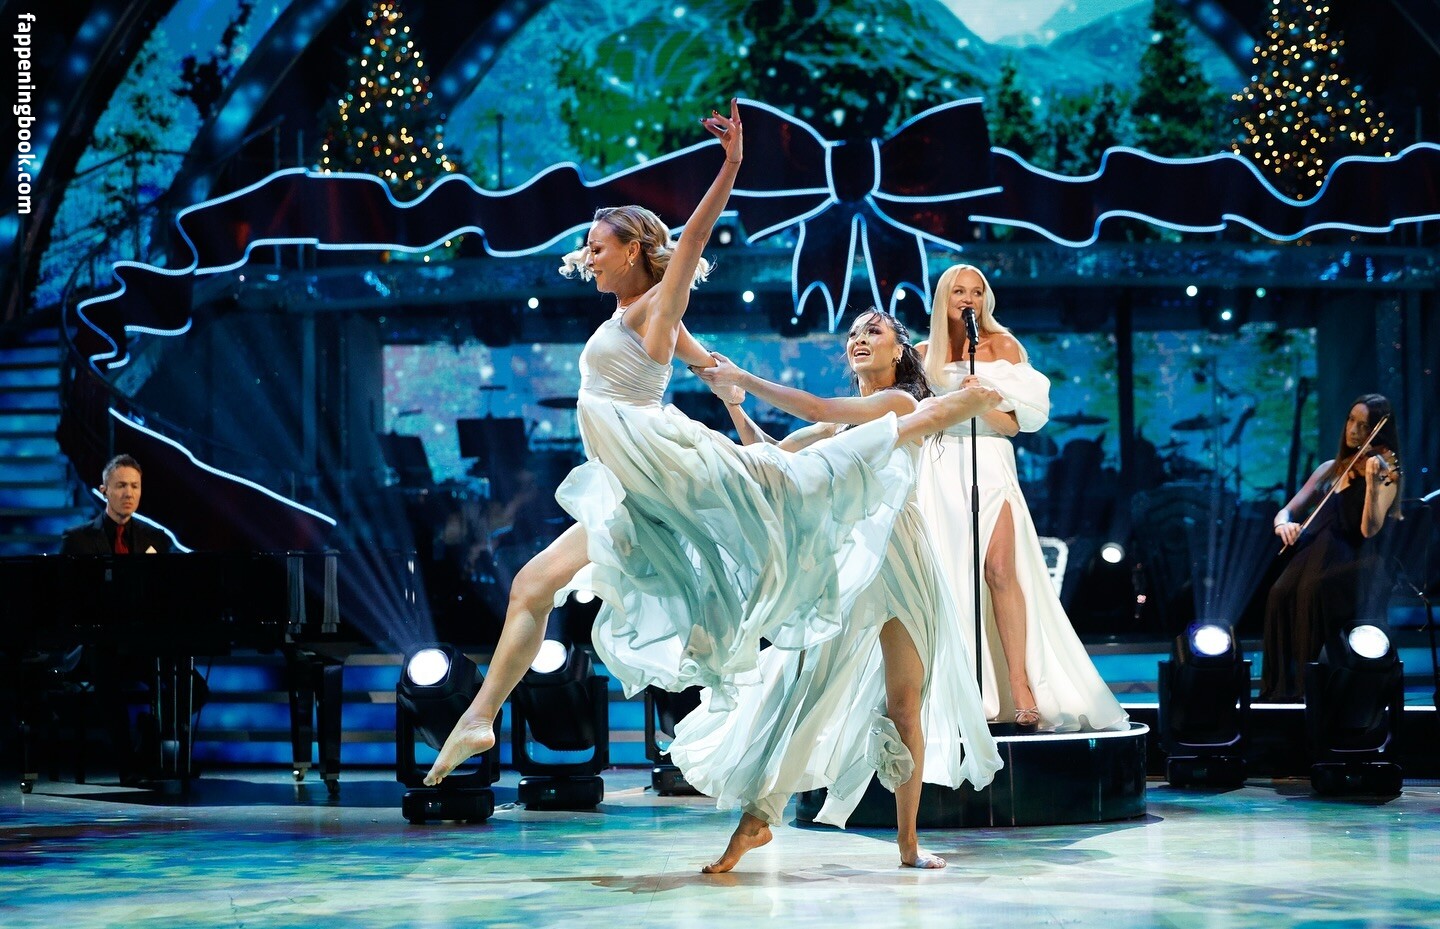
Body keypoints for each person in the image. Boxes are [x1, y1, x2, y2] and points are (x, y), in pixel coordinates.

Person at [422, 101, 1001, 814]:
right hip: (628, 482)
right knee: (531, 585)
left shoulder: (655, 307)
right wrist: (725, 383)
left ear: (634, 250)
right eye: (588, 249)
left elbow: (693, 237)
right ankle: (480, 716)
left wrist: (731, 165)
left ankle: (938, 410)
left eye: (599, 247)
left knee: (782, 476)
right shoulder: (635, 316)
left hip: (658, 464)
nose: (589, 258)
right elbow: (705, 361)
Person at [679, 309, 1001, 871]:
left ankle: (908, 843)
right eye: (853, 334)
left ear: (899, 351)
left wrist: (745, 378)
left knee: (905, 706)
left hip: (903, 558)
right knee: (804, 688)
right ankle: (755, 822)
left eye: (873, 332)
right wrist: (734, 402)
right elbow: (770, 458)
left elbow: (819, 407)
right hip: (848, 566)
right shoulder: (838, 428)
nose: (859, 339)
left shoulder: (900, 403)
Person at [916, 264, 1127, 733]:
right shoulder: (923, 354)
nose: (968, 299)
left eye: (977, 292)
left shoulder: (1003, 346)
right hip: (939, 467)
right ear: (943, 297)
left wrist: (981, 400)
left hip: (990, 463)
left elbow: (1015, 425)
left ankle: (1021, 684)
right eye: (959, 291)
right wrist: (952, 405)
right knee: (949, 577)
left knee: (1000, 570)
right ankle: (960, 688)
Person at [1261, 393, 1401, 702]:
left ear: (1377, 431)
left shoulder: (1385, 473)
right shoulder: (1331, 468)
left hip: (1355, 559)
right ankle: (1280, 688)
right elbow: (1287, 510)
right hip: (1315, 551)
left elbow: (1369, 529)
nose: (1354, 430)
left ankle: (1311, 687)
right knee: (1278, 594)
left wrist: (1371, 486)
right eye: (1351, 420)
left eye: (1364, 425)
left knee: (1313, 591)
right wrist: (1283, 525)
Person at [60, 454, 173, 555]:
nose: (129, 494)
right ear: (104, 492)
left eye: (134, 486)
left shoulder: (156, 539)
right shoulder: (76, 540)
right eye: (121, 486)